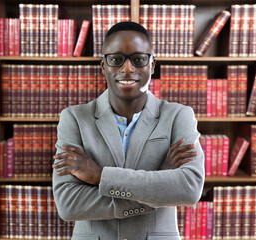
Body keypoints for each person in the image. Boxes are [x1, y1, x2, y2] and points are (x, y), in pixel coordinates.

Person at [51, 21, 205, 240]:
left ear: (152, 65)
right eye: (116, 60)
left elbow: (189, 189)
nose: (127, 68)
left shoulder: (178, 116)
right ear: (103, 65)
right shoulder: (74, 118)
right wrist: (159, 186)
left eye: (139, 59)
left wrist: (100, 176)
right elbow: (68, 204)